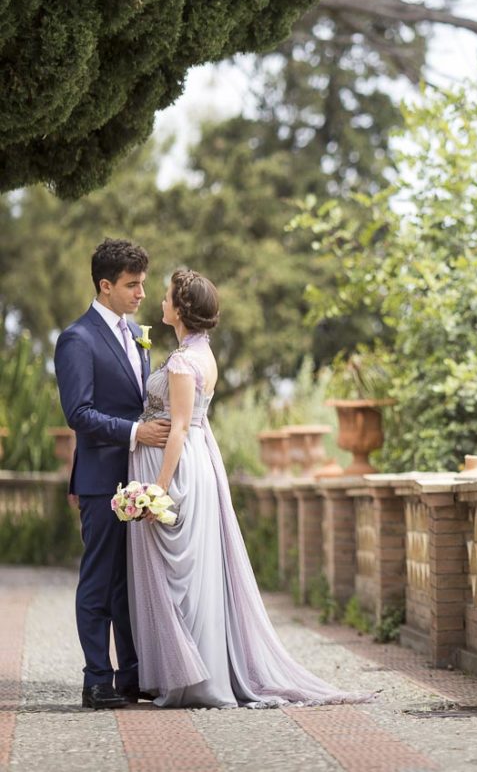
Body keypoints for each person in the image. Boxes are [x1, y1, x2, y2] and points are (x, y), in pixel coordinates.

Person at [126, 268, 369, 708]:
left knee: (179, 574)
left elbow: (179, 427)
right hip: (200, 461)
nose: (160, 302)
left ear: (181, 309)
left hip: (179, 469)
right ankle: (188, 669)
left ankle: (191, 675)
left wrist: (156, 490)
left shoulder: (183, 361)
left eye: (165, 297)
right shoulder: (202, 353)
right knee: (192, 571)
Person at [55, 239, 171, 710]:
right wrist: (136, 433)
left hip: (136, 480)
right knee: (100, 581)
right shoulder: (76, 339)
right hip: (103, 479)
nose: (142, 293)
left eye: (143, 283)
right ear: (105, 286)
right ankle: (96, 680)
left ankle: (131, 676)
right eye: (132, 285)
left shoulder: (132, 334)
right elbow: (78, 413)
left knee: (130, 582)